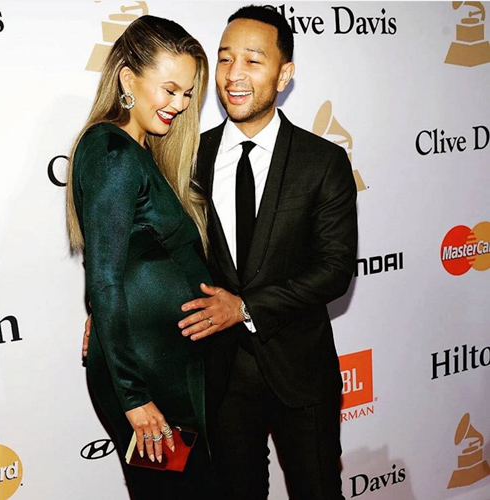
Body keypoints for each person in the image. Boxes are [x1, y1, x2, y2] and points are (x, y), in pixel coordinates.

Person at [177, 6, 358, 500]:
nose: (234, 75)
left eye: (253, 61)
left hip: (301, 372)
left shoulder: (323, 162)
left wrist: (246, 308)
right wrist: (113, 310)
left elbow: (335, 270)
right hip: (220, 376)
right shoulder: (188, 157)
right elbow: (162, 255)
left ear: (284, 74)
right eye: (224, 58)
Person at [67, 15, 219, 499]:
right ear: (128, 78)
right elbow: (106, 279)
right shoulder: (112, 151)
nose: (179, 104)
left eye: (188, 93)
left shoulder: (136, 149)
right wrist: (134, 398)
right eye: (169, 89)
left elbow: (122, 268)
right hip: (146, 385)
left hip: (164, 373)